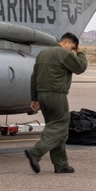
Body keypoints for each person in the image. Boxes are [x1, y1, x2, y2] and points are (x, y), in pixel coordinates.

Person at [24, 32, 88, 174]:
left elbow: (34, 77)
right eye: (72, 47)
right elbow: (81, 67)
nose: (72, 50)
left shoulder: (43, 54)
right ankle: (36, 152)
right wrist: (80, 53)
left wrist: (34, 98)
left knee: (57, 129)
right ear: (67, 42)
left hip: (42, 96)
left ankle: (61, 164)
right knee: (60, 126)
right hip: (56, 95)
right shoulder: (63, 53)